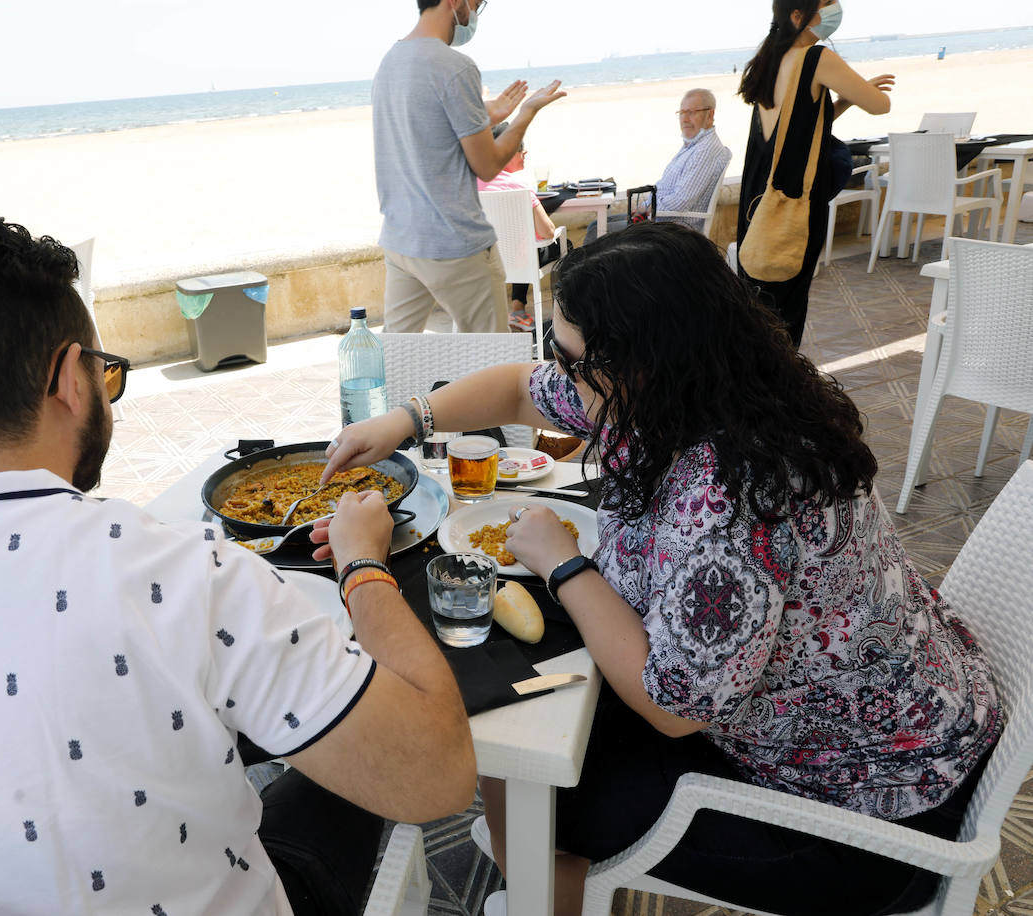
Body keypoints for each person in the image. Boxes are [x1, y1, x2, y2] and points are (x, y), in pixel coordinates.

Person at [0, 210, 477, 916]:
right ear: (72, 378)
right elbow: (435, 773)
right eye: (107, 373)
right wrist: (362, 566)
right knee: (326, 781)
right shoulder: (187, 579)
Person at [320, 221, 1003, 916]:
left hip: (867, 818)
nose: (563, 373)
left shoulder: (733, 491)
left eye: (575, 358)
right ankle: (532, 877)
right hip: (873, 723)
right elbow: (523, 389)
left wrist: (564, 565)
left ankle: (533, 887)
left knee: (530, 776)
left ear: (642, 360)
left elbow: (673, 707)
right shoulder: (711, 387)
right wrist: (408, 419)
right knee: (534, 733)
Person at [373, 0, 565, 333]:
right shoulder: (454, 66)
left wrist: (484, 113)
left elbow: (426, 128)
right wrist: (526, 114)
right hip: (453, 244)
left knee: (398, 359)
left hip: (401, 241)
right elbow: (488, 165)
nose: (474, 13)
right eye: (476, 3)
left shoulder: (390, 62)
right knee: (493, 361)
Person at [737, 0, 894, 347]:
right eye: (826, 4)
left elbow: (796, 131)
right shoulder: (817, 58)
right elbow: (881, 105)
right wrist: (858, 90)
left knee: (763, 318)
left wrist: (843, 101)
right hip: (794, 206)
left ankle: (762, 391)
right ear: (798, 15)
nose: (835, 8)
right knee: (787, 317)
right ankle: (780, 393)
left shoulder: (771, 61)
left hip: (757, 205)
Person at [584, 88, 733, 243]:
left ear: (710, 115)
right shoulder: (694, 144)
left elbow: (680, 201)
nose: (685, 119)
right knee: (596, 225)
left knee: (597, 231)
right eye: (682, 113)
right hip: (661, 219)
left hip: (674, 230)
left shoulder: (705, 150)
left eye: (692, 112)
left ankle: (591, 268)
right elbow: (663, 187)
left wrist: (645, 209)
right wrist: (644, 206)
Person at [476, 122, 560, 332]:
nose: (525, 154)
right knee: (558, 244)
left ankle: (518, 310)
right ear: (508, 152)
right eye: (521, 149)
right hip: (517, 261)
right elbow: (548, 232)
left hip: (480, 261)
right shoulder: (519, 187)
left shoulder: (470, 183)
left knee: (519, 243)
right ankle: (563, 318)